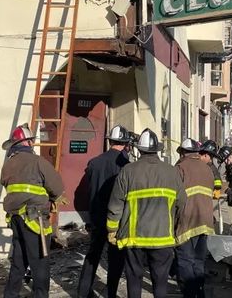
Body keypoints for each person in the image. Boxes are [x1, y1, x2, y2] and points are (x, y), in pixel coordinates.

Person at [107, 129, 186, 298]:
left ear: (139, 149)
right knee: (160, 282)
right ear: (157, 150)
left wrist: (112, 230)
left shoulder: (128, 171)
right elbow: (181, 204)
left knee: (134, 280)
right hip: (163, 238)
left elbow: (115, 205)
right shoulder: (172, 172)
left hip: (134, 239)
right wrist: (175, 227)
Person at [0, 124, 65, 298]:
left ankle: (10, 294)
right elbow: (57, 188)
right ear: (28, 142)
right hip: (34, 220)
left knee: (19, 262)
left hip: (15, 218)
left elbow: (8, 185)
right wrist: (53, 198)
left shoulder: (8, 165)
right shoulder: (38, 162)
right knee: (40, 264)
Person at [77, 125, 131, 298]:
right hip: (116, 219)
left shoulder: (94, 162)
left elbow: (86, 190)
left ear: (111, 141)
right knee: (116, 258)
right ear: (125, 144)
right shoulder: (126, 166)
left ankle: (83, 292)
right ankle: (110, 294)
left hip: (96, 217)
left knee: (93, 255)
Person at [174, 138, 215, 298]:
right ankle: (200, 291)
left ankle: (190, 293)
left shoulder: (179, 168)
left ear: (183, 153)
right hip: (205, 221)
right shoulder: (207, 169)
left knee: (185, 260)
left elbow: (174, 197)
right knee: (199, 261)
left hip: (186, 221)